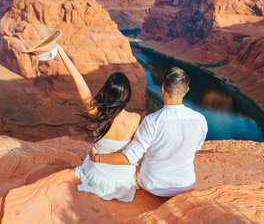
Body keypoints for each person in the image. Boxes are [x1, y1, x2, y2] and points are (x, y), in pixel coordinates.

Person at [90, 67, 208, 197]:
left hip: (153, 185)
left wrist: (97, 158)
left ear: (163, 89)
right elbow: (194, 149)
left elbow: (130, 158)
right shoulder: (200, 120)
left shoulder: (152, 121)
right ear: (186, 91)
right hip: (185, 184)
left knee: (133, 168)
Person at [57, 45, 141, 202]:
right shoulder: (136, 119)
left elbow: (77, 78)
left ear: (106, 92)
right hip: (122, 181)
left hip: (96, 177)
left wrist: (59, 50)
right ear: (127, 96)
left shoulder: (96, 113)